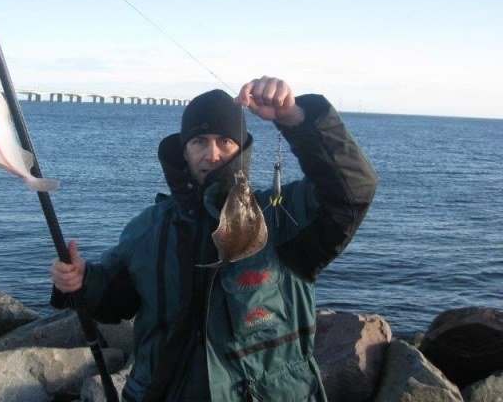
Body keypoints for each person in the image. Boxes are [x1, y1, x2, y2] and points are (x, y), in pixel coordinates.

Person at [51, 76, 378, 402]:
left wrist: (295, 118)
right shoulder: (148, 228)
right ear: (184, 151)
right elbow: (114, 298)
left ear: (241, 148)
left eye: (224, 140)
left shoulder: (281, 217)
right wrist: (80, 280)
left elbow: (353, 190)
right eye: (199, 142)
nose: (212, 153)